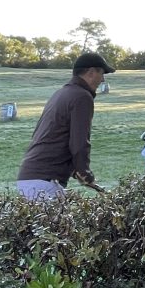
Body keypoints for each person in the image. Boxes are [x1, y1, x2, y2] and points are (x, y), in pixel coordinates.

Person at [16, 52, 115, 200]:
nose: (103, 79)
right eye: (102, 73)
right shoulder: (82, 96)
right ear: (91, 72)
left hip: (30, 179)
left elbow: (54, 136)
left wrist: (75, 170)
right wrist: (85, 171)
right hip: (45, 183)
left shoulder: (62, 93)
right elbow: (79, 141)